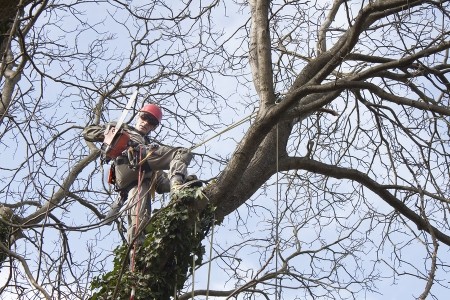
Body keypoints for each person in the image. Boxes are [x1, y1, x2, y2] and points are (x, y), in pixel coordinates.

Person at [83, 103, 195, 245]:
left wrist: (186, 180)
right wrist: (115, 136)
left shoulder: (150, 151)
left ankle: (136, 253)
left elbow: (160, 185)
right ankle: (177, 187)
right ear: (138, 116)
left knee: (139, 218)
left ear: (154, 127)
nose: (146, 123)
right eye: (145, 117)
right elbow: (88, 131)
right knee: (182, 152)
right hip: (126, 164)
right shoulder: (122, 129)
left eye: (151, 122)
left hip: (138, 181)